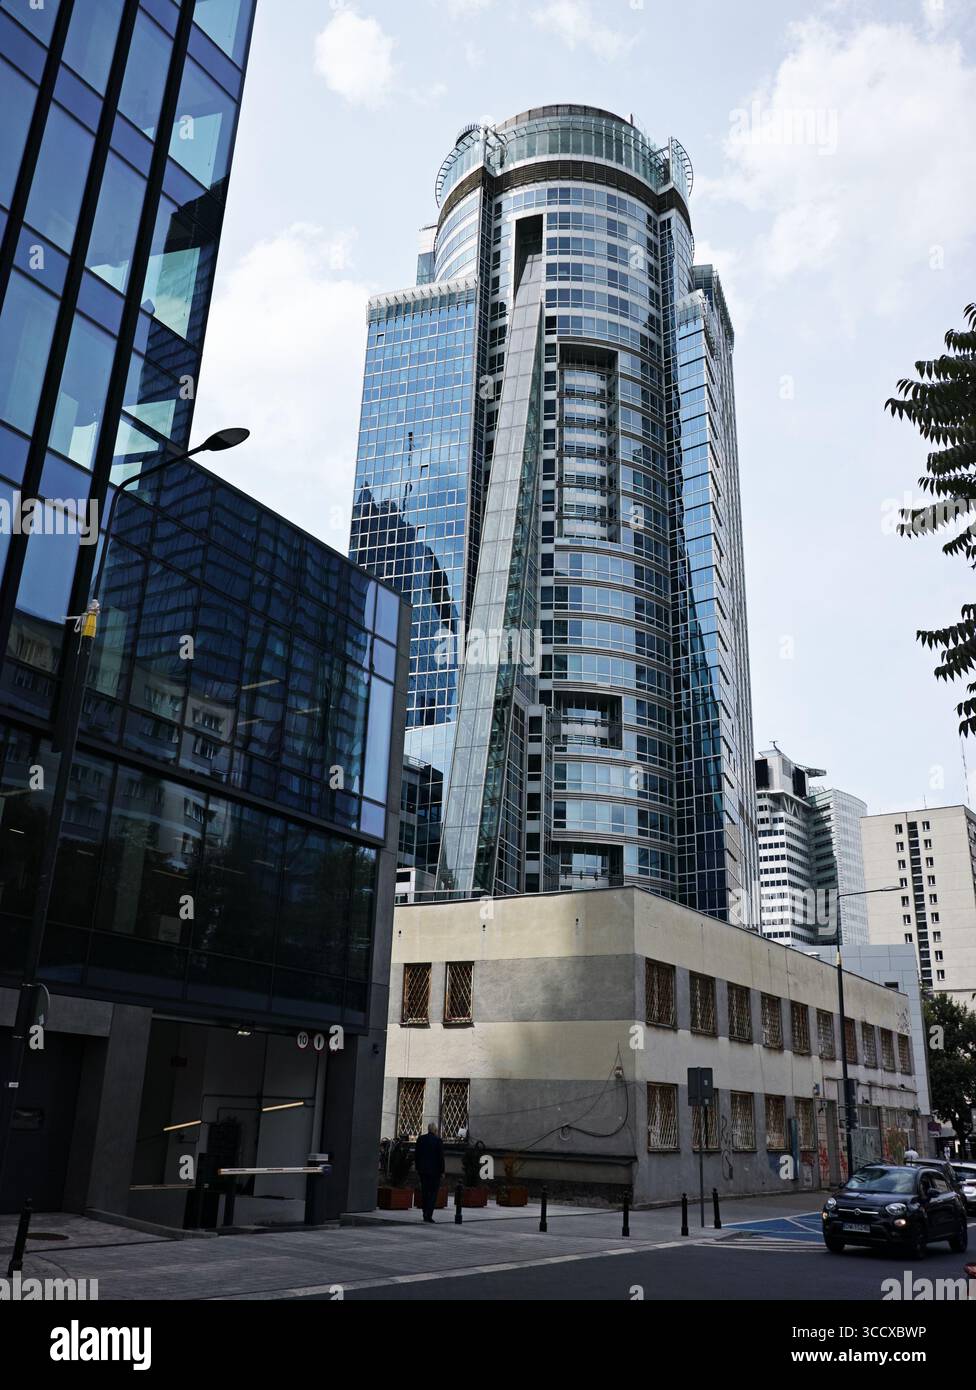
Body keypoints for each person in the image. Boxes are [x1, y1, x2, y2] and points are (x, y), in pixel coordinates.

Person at [414, 1122, 445, 1222]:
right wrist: (442, 1171)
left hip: (423, 1171)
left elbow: (416, 1155)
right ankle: (429, 1214)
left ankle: (424, 1212)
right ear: (435, 1131)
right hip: (435, 1172)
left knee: (425, 1191)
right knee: (433, 1193)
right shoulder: (438, 1141)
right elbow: (441, 1158)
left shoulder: (421, 1139)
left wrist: (418, 1168)